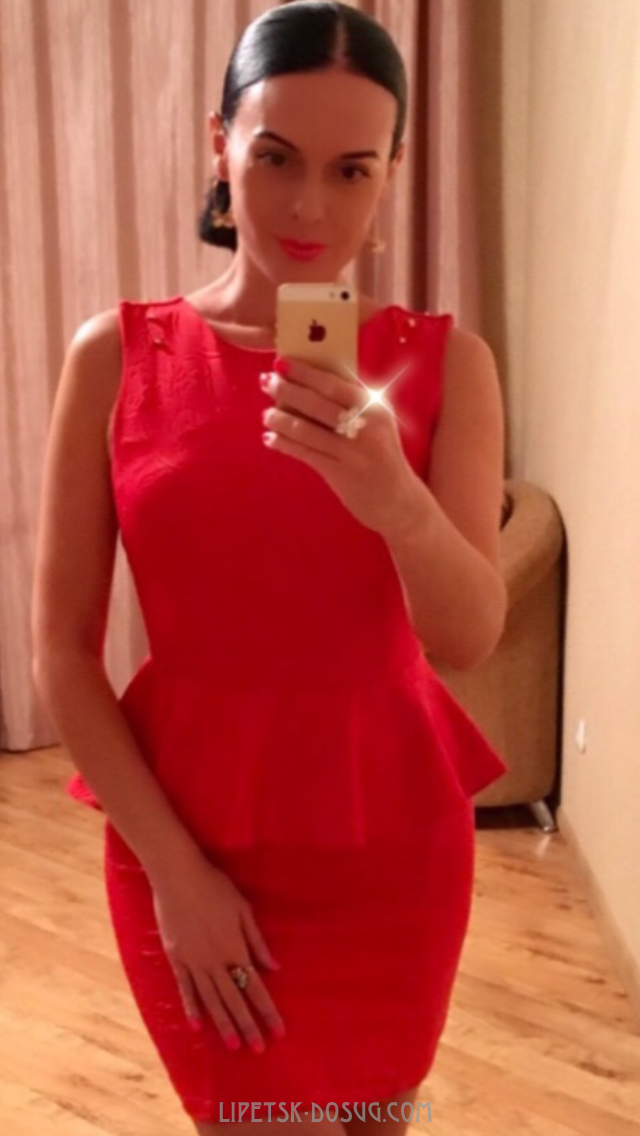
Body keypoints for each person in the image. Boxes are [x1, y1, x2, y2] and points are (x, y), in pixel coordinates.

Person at [31, 3, 508, 1133]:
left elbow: (468, 635)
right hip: (189, 843)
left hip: (391, 849)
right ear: (220, 145)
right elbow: (60, 650)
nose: (308, 208)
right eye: (275, 157)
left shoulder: (447, 364)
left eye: (351, 170)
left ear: (391, 174)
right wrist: (175, 875)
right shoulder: (118, 356)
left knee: (374, 1122)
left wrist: (394, 501)